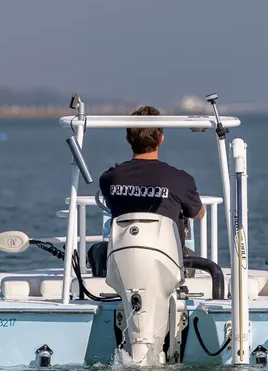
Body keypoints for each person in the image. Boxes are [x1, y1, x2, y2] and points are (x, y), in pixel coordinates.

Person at [87, 105, 205, 277]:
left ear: (129, 139)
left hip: (123, 261)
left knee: (96, 250)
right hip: (168, 262)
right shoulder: (181, 180)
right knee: (190, 255)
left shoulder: (109, 179)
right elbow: (198, 214)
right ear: (161, 140)